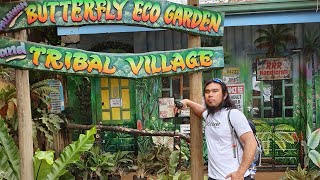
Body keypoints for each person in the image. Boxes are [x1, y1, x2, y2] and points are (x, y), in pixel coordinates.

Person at [175, 78, 257, 180]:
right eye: (207, 92)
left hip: (233, 177)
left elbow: (251, 143)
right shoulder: (210, 115)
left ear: (225, 95)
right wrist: (187, 102)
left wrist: (240, 173)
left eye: (215, 91)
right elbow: (201, 111)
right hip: (214, 177)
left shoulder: (233, 114)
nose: (210, 95)